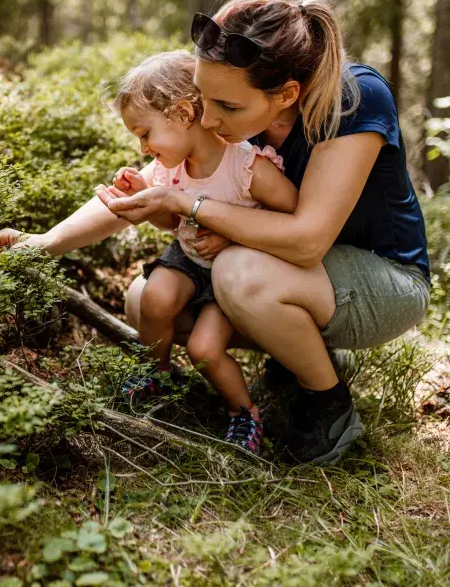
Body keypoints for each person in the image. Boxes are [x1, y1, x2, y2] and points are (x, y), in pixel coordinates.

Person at [0, 0, 430, 466]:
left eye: (226, 107)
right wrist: (44, 244)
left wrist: (189, 204)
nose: (209, 117)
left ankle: (328, 404)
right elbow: (148, 188)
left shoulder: (354, 99)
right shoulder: (233, 101)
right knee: (146, 300)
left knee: (238, 273)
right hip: (302, 274)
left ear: (286, 95)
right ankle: (297, 353)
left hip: (385, 281)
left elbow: (306, 241)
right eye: (203, 98)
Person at [93, 51, 298, 453]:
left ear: (184, 113)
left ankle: (244, 415)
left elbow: (290, 215)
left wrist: (233, 237)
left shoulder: (248, 167)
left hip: (234, 268)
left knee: (204, 348)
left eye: (145, 133)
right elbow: (173, 225)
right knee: (155, 297)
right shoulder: (171, 170)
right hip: (188, 258)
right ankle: (157, 374)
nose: (142, 147)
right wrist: (144, 201)